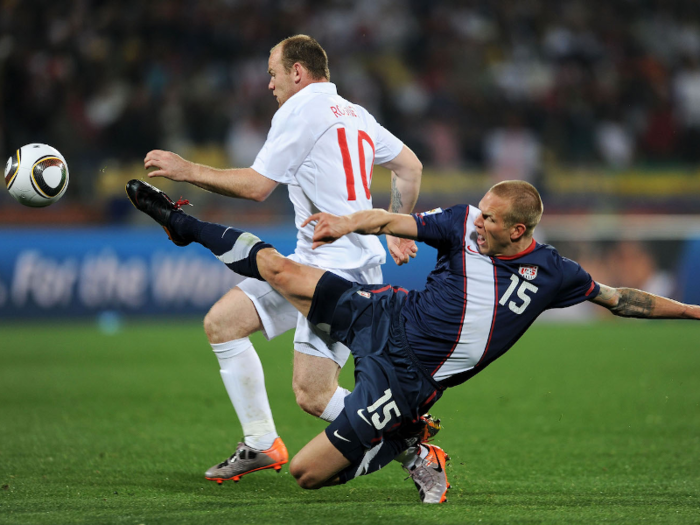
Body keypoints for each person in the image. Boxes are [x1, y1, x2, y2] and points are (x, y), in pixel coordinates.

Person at [126, 177, 700, 504]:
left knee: (306, 473)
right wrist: (348, 223)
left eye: (492, 221)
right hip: (383, 317)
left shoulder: (557, 273)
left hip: (406, 382)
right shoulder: (460, 222)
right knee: (278, 270)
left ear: (519, 230)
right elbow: (393, 223)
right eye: (481, 215)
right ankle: (184, 226)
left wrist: (693, 311)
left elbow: (623, 299)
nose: (478, 224)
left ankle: (409, 440)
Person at [139, 34, 424, 483]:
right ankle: (260, 443)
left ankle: (414, 447)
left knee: (313, 395)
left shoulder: (301, 109)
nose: (269, 84)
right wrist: (395, 227)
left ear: (297, 72)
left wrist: (186, 170)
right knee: (223, 324)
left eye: (273, 73)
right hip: (311, 261)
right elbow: (410, 166)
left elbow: (257, 187)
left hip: (338, 273)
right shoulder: (355, 112)